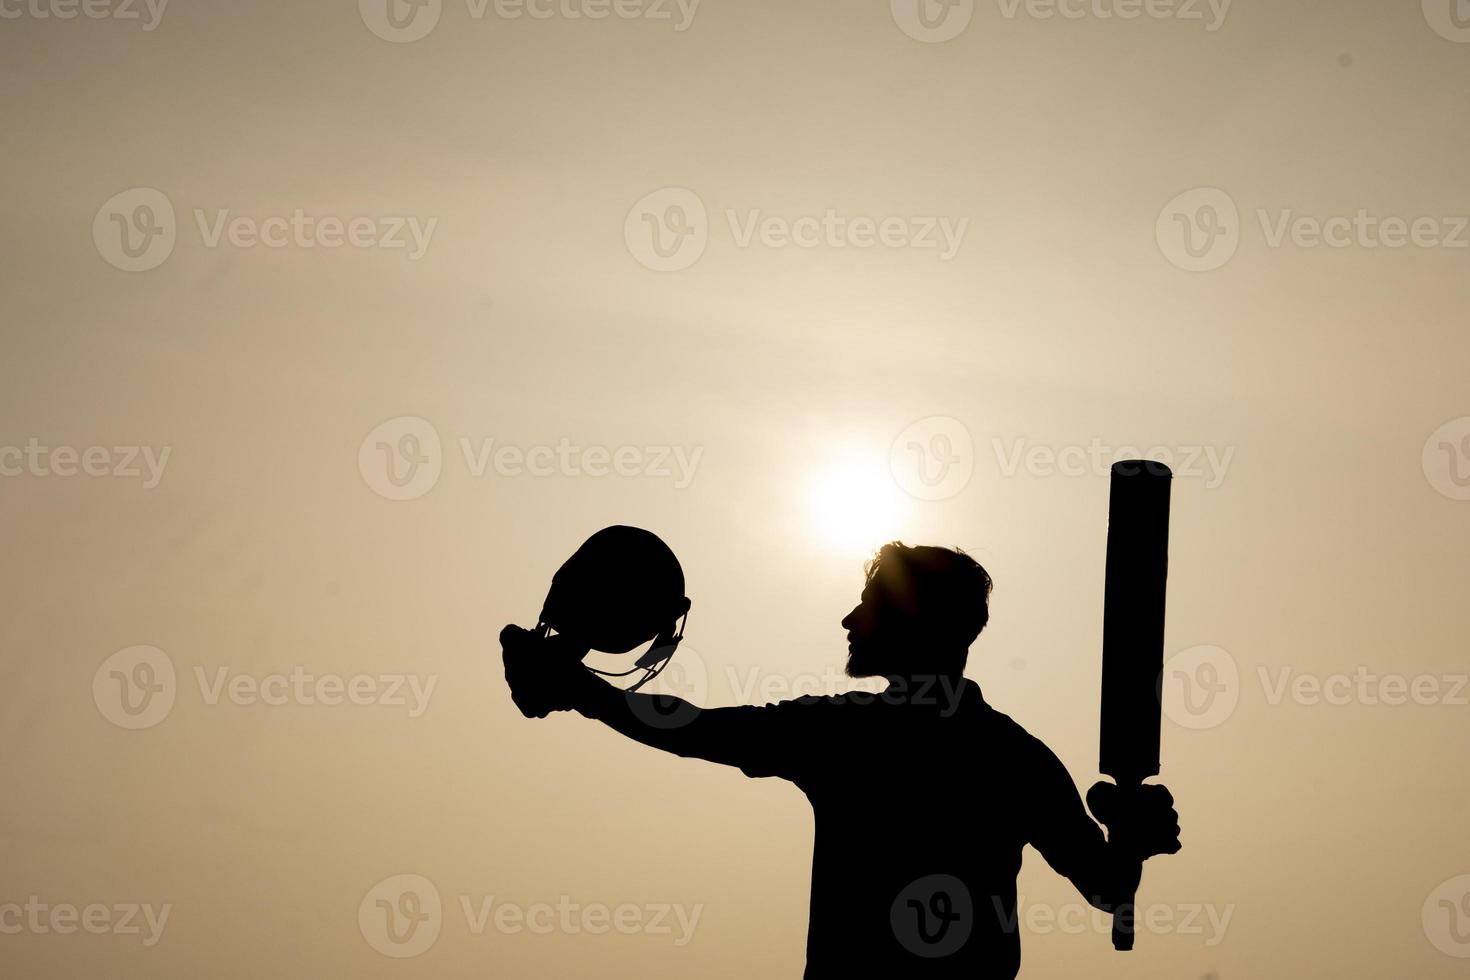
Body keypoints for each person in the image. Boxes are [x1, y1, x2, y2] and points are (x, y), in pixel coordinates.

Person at [501, 541, 1181, 978]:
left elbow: (690, 729)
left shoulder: (843, 735)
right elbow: (1109, 890)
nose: (849, 622)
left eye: (867, 606)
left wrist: (581, 692)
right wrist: (1134, 842)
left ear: (911, 624)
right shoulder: (1012, 754)